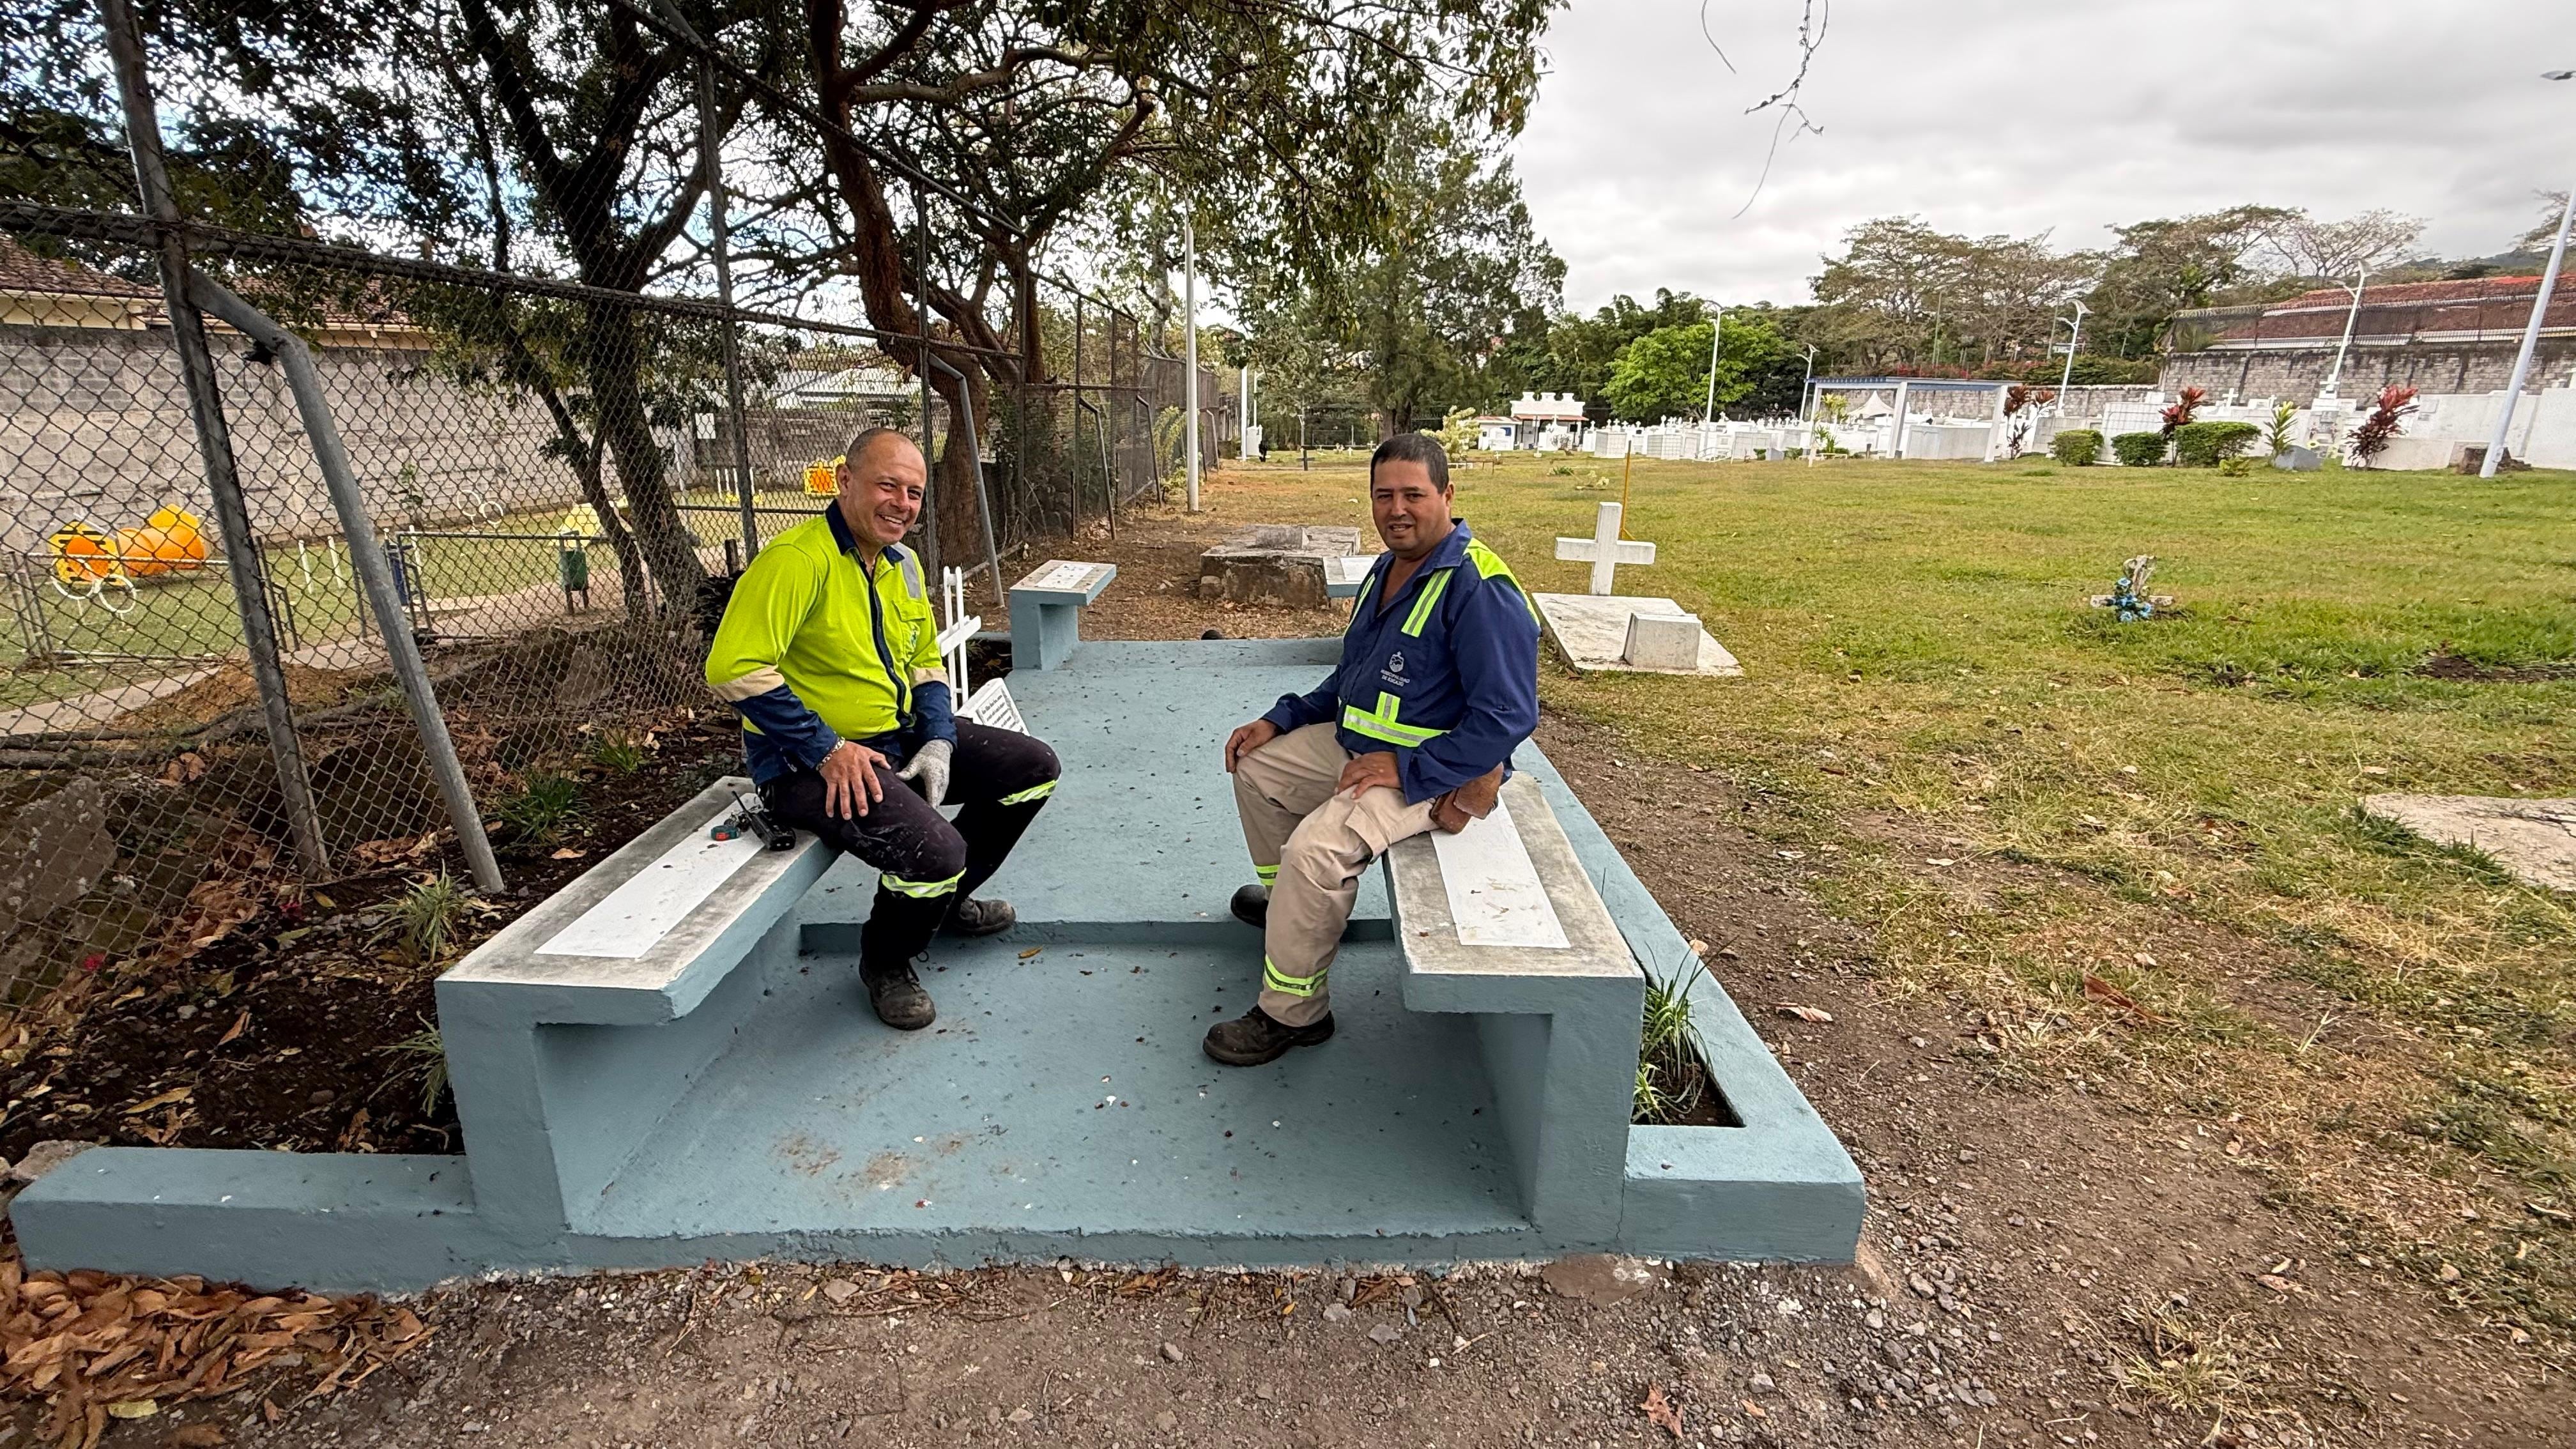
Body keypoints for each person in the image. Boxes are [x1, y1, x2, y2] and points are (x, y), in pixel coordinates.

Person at [705, 427, 1059, 1031]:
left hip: (892, 738)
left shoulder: (903, 563)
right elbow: (733, 668)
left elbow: (924, 659)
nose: (902, 503)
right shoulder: (797, 561)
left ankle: (941, 908)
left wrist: (940, 738)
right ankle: (886, 961)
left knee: (1032, 769)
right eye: (887, 485)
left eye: (914, 493)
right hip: (802, 766)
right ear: (845, 482)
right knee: (937, 852)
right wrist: (827, 750)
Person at [1206, 432, 1541, 1066]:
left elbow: (1508, 714)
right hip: (1360, 748)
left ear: (1446, 494)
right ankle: (1289, 913)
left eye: (1413, 494)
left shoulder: (1478, 587)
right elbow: (1352, 680)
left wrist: (1412, 767)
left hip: (1433, 772)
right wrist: (1281, 720)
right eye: (1384, 495)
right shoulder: (1387, 569)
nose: (1397, 509)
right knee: (1254, 766)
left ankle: (1294, 1012)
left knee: (1317, 850)